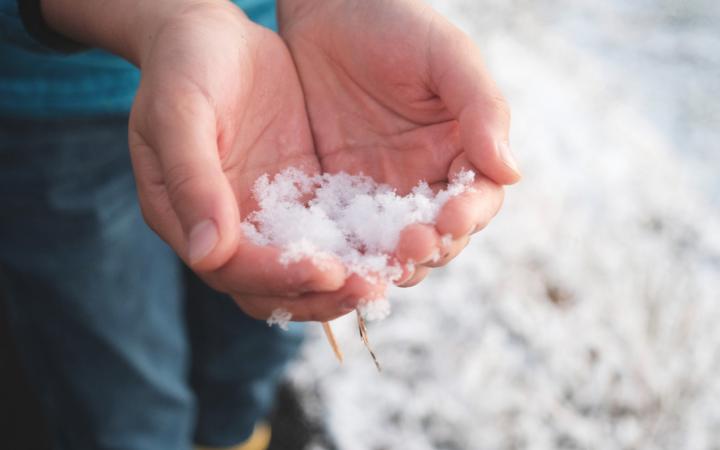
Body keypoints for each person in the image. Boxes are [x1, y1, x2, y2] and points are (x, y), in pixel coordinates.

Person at [0, 0, 520, 448]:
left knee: (268, 323)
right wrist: (166, 15)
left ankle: (232, 431)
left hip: (278, 59)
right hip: (53, 107)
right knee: (114, 369)